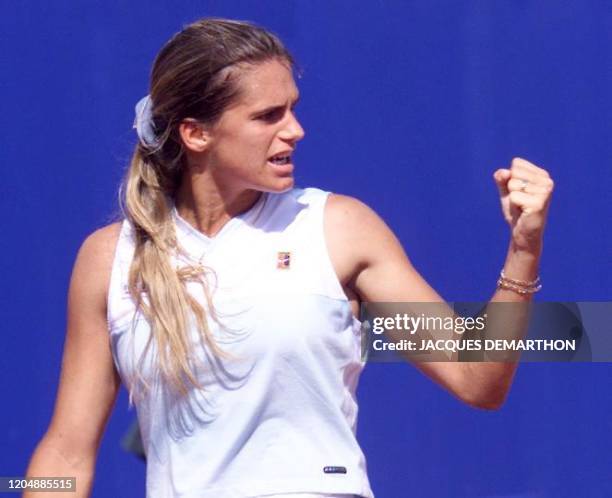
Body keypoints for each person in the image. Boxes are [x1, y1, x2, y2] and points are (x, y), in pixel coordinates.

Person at [24, 17, 554, 498]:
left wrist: (523, 251)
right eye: (268, 116)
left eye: (293, 108)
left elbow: (478, 376)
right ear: (196, 132)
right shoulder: (108, 259)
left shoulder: (340, 228)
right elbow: (66, 453)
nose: (295, 130)